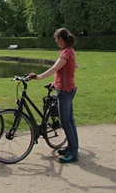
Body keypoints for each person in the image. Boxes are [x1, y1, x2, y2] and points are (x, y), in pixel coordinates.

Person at [29, 28, 79, 163]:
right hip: (66, 88)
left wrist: (38, 77)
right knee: (70, 121)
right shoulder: (68, 51)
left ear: (61, 39)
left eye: (56, 38)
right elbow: (64, 72)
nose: (55, 41)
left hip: (65, 91)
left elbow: (54, 69)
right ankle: (71, 147)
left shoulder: (66, 53)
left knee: (65, 122)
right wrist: (55, 82)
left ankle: (73, 152)